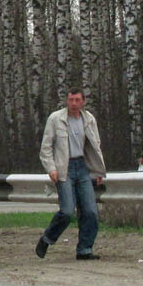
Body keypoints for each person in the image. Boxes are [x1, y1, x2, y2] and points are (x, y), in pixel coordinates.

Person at [35, 87, 107, 260]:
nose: (73, 103)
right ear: (66, 101)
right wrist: (51, 168)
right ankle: (47, 238)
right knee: (67, 211)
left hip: (82, 167)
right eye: (70, 100)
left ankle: (85, 249)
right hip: (64, 167)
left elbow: (95, 145)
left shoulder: (89, 119)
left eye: (77, 100)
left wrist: (98, 170)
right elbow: (46, 147)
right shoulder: (56, 119)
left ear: (83, 102)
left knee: (90, 211)